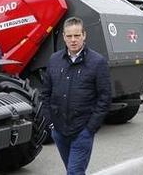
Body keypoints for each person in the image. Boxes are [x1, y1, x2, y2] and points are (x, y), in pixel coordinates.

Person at [41, 17, 111, 175]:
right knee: (73, 171)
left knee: (74, 172)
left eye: (77, 35)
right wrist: (51, 124)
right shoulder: (54, 60)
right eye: (69, 36)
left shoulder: (97, 62)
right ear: (64, 37)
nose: (73, 40)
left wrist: (90, 128)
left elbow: (104, 98)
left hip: (82, 131)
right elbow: (45, 94)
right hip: (59, 131)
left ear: (84, 35)